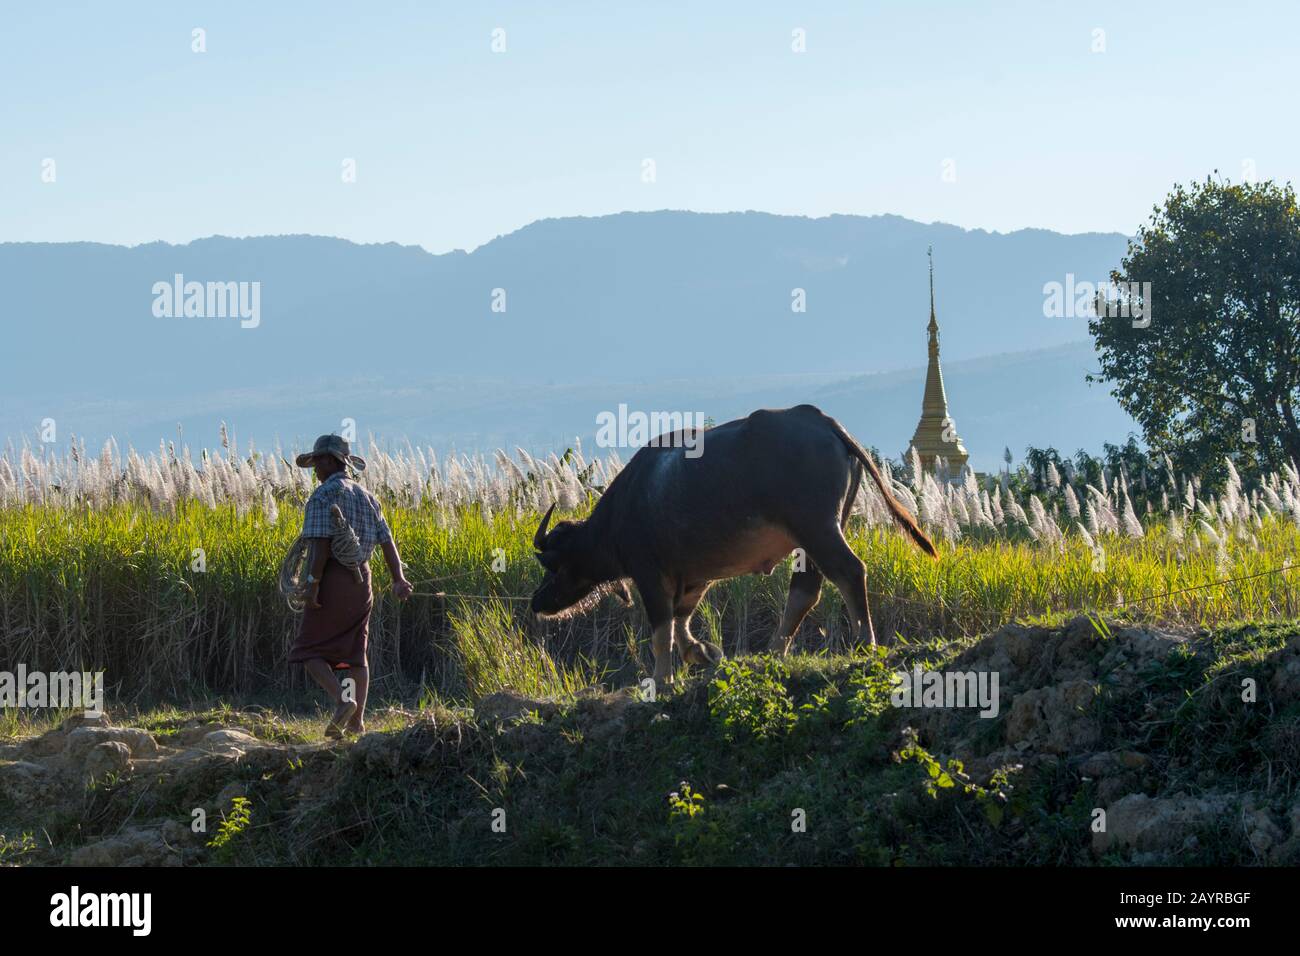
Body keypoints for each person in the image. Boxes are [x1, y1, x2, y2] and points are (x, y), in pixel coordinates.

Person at [289, 434, 413, 737]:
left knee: (308, 650)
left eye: (319, 461)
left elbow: (319, 549)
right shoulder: (368, 497)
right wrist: (398, 579)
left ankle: (344, 703)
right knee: (355, 653)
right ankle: (357, 723)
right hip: (362, 583)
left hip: (333, 579)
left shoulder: (322, 497)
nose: (315, 467)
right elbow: (387, 542)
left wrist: (311, 585)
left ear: (332, 461)